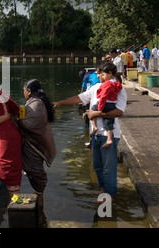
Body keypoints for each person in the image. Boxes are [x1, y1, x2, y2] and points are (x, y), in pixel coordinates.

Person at [53, 60, 127, 197]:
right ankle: (104, 190)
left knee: (108, 169)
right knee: (97, 166)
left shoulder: (119, 90)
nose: (98, 76)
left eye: (100, 73)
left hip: (109, 134)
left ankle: (109, 196)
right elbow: (79, 98)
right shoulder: (96, 88)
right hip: (96, 134)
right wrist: (60, 103)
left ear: (109, 74)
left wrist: (96, 113)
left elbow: (119, 112)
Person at [18, 79, 56, 204]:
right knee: (34, 172)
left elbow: (28, 124)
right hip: (35, 143)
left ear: (29, 92)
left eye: (24, 90)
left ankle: (40, 208)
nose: (23, 92)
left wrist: (16, 119)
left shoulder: (36, 105)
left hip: (34, 146)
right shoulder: (36, 102)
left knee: (36, 173)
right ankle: (39, 202)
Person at [90, 62, 122, 149]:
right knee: (109, 121)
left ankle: (95, 127)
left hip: (105, 103)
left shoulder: (107, 84)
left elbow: (103, 96)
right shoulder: (117, 83)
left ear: (110, 73)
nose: (102, 76)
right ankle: (109, 138)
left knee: (92, 111)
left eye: (103, 74)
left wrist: (99, 108)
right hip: (112, 104)